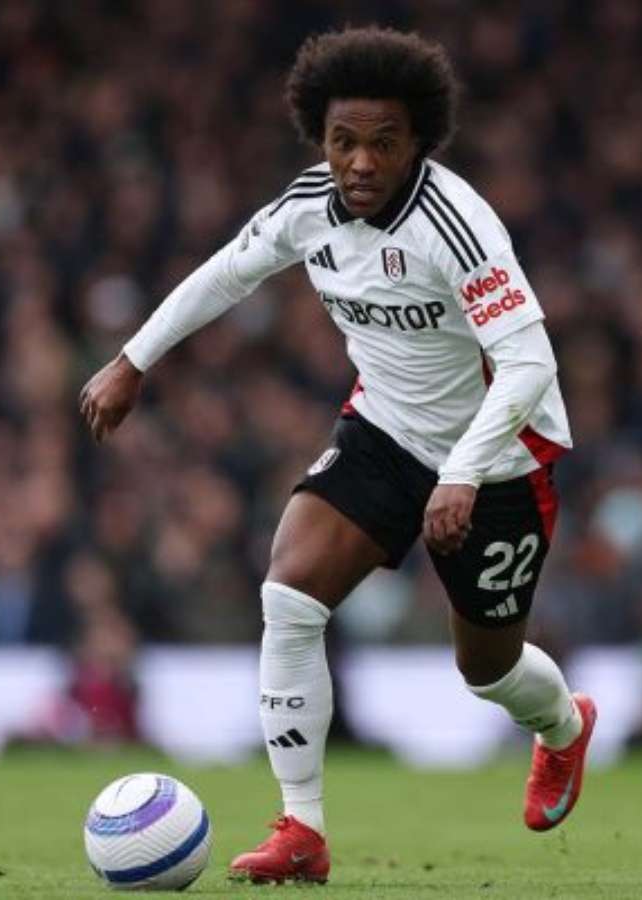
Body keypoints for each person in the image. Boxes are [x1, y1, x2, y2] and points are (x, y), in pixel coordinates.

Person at [79, 26, 597, 885]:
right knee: (288, 594)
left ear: (417, 141)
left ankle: (564, 728)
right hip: (384, 434)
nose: (360, 162)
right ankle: (302, 829)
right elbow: (227, 273)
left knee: (488, 669)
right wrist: (133, 360)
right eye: (342, 140)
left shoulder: (456, 225)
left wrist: (463, 472)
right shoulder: (307, 206)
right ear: (319, 138)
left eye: (383, 142)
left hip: (499, 457)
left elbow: (530, 364)